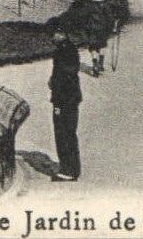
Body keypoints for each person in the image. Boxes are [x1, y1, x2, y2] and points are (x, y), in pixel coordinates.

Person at [47, 23, 84, 181]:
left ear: (62, 33)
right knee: (68, 133)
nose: (52, 38)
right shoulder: (68, 49)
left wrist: (57, 101)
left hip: (65, 99)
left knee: (64, 133)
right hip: (70, 97)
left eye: (54, 34)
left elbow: (65, 76)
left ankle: (68, 170)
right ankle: (71, 168)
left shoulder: (64, 51)